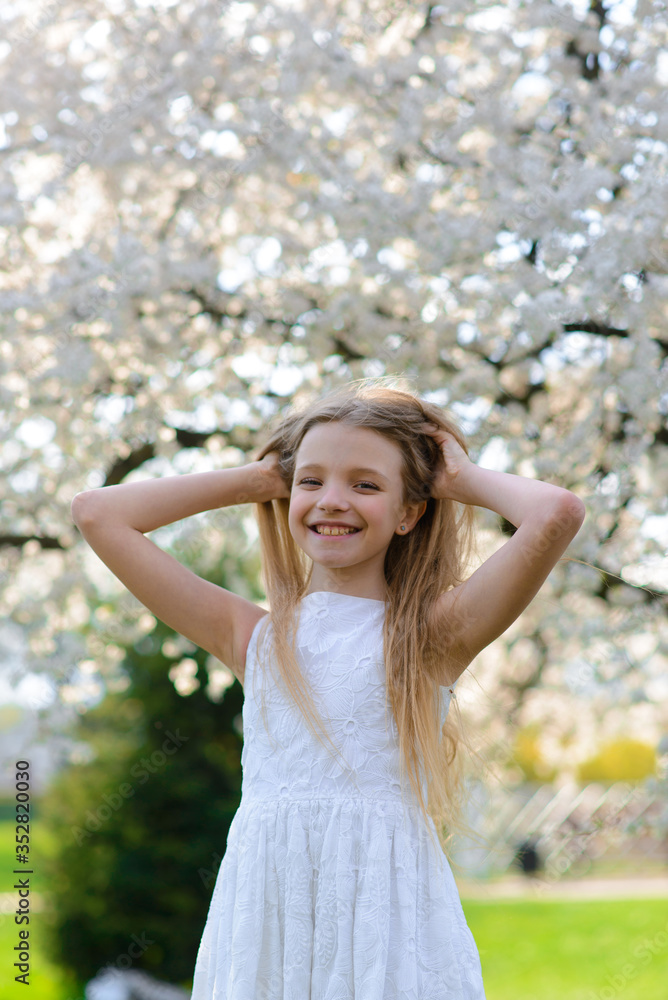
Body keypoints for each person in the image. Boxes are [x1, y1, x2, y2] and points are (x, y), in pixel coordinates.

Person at [71, 380, 586, 999]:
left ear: (409, 512)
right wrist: (258, 480)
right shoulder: (252, 636)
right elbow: (98, 513)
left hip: (384, 920)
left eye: (365, 485)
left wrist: (459, 478)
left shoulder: (428, 639)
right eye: (312, 482)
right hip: (267, 915)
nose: (332, 501)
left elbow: (556, 513)